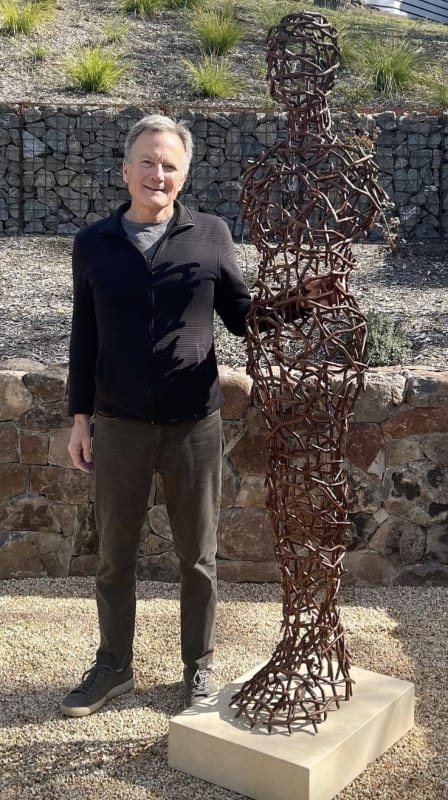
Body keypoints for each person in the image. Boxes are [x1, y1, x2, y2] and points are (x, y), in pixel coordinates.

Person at [62, 114, 253, 716]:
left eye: (170, 164)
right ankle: (113, 667)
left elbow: (244, 315)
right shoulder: (94, 244)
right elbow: (83, 336)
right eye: (148, 161)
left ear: (185, 174)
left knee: (197, 556)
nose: (158, 173)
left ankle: (198, 668)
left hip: (194, 423)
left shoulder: (210, 234)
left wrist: (297, 306)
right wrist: (79, 419)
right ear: (125, 170)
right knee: (114, 555)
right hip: (117, 425)